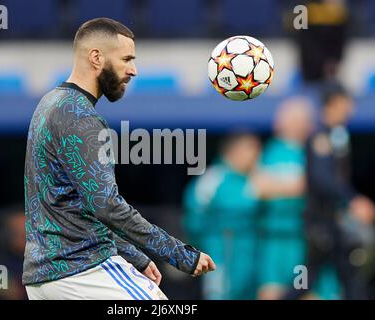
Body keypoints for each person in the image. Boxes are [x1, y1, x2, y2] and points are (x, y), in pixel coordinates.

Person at [22, 17, 215, 300]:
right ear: (96, 57)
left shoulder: (50, 103)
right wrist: (178, 254)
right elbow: (107, 206)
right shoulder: (82, 117)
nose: (133, 70)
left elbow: (76, 208)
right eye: (127, 59)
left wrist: (134, 255)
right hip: (83, 272)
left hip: (43, 281)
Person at [283, 83, 375, 300]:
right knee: (308, 279)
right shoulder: (320, 138)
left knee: (349, 276)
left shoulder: (338, 136)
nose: (350, 110)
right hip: (321, 223)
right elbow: (322, 179)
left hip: (334, 223)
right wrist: (352, 200)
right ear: (332, 105)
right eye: (346, 104)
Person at [253, 97, 341, 300]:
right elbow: (258, 187)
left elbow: (317, 186)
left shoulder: (314, 150)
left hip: (304, 239)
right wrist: (295, 185)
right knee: (270, 292)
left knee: (309, 293)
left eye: (299, 119)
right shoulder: (270, 151)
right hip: (274, 240)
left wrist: (279, 185)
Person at [183, 133, 261, 299]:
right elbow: (193, 217)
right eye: (251, 149)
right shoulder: (213, 178)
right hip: (221, 252)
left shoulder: (252, 177)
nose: (256, 155)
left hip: (249, 255)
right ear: (234, 151)